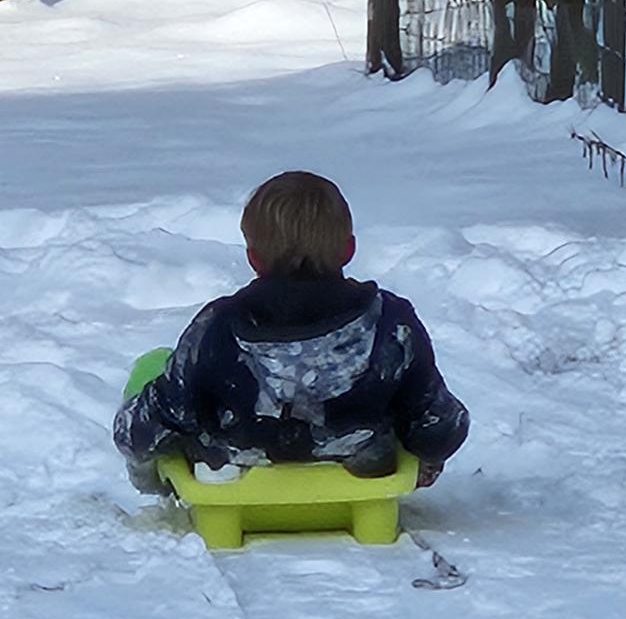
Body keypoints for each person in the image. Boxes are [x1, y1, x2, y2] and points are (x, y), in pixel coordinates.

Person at [114, 171, 468, 490]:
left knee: (155, 366)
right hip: (360, 468)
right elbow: (438, 422)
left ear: (253, 258)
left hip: (232, 473)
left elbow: (154, 422)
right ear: (348, 249)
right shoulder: (391, 322)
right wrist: (427, 454)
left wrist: (136, 436)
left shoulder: (217, 326)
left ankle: (157, 487)